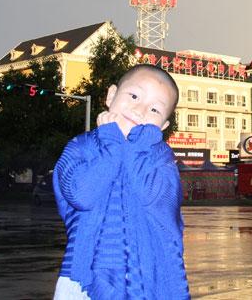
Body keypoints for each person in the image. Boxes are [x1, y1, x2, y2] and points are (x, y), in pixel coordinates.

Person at [52, 64, 189, 299]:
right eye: (134, 96)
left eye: (155, 110)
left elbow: (153, 201)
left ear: (163, 126)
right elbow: (83, 195)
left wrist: (138, 147)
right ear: (111, 95)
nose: (140, 110)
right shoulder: (81, 147)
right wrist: (111, 143)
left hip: (147, 279)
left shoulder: (162, 160)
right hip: (84, 277)